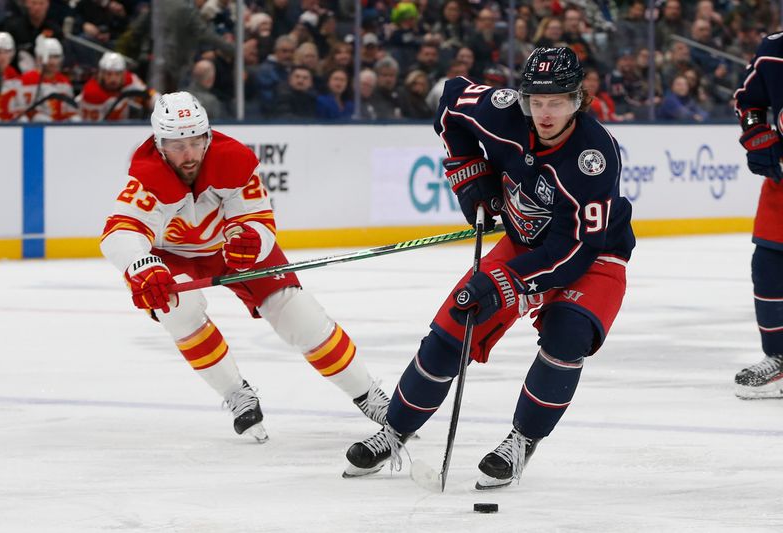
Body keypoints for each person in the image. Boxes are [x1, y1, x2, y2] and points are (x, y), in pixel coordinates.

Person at [344, 47, 635, 489]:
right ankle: (395, 430)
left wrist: (505, 282)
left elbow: (574, 250)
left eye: (557, 102)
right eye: (536, 101)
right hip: (522, 244)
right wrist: (469, 175)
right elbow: (450, 100)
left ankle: (522, 440)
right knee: (452, 328)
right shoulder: (501, 112)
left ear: (578, 100)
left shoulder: (594, 157)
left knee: (567, 336)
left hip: (592, 257)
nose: (545, 114)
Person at [100, 92, 390, 441]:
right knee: (178, 310)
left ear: (208, 136)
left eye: (196, 142)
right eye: (177, 146)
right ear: (160, 145)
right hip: (172, 256)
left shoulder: (232, 159)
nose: (189, 155)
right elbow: (120, 233)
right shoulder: (146, 177)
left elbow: (258, 219)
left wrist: (251, 238)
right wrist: (143, 266)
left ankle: (368, 393)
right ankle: (236, 393)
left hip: (231, 249)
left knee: (298, 314)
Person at [732, 32, 783, 399]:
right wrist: (758, 135)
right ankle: (779, 357)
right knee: (768, 266)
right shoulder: (774, 50)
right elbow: (749, 100)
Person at [78, 52, 153, 122]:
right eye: (109, 74)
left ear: (123, 74)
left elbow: (151, 95)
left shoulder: (130, 79)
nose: (113, 79)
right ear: (101, 74)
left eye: (117, 74)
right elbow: (92, 127)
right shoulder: (91, 92)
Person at [18, 36, 78, 122]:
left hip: (60, 126)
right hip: (36, 127)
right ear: (39, 58)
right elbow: (21, 110)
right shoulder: (27, 80)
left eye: (56, 57)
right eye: (49, 57)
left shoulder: (64, 81)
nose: (53, 62)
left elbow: (70, 110)